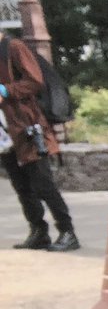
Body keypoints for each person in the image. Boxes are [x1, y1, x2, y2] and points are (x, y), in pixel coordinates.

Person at [0, 31, 79, 251]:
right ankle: (38, 231)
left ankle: (67, 231)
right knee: (22, 186)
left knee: (43, 184)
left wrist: (6, 90)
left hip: (27, 127)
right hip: (5, 133)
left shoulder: (13, 47)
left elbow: (35, 81)